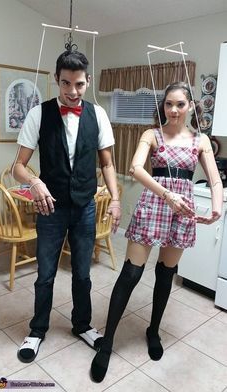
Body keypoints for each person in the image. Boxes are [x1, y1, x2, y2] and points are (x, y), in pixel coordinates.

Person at [90, 82, 223, 382]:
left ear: (190, 106)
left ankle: (153, 330)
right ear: (162, 106)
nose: (173, 110)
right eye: (168, 104)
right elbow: (136, 168)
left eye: (180, 104)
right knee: (131, 274)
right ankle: (108, 341)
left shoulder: (200, 141)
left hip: (182, 210)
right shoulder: (152, 134)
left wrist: (217, 206)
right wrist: (167, 195)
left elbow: (215, 180)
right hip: (155, 204)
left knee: (166, 273)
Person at [12, 49, 121, 363]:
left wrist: (115, 199)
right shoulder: (38, 114)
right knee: (45, 274)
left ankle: (82, 325)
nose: (73, 92)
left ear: (87, 81)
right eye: (65, 84)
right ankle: (37, 330)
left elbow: (109, 164)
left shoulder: (97, 114)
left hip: (85, 206)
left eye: (79, 84)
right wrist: (35, 182)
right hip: (50, 208)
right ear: (56, 81)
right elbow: (19, 165)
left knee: (82, 274)